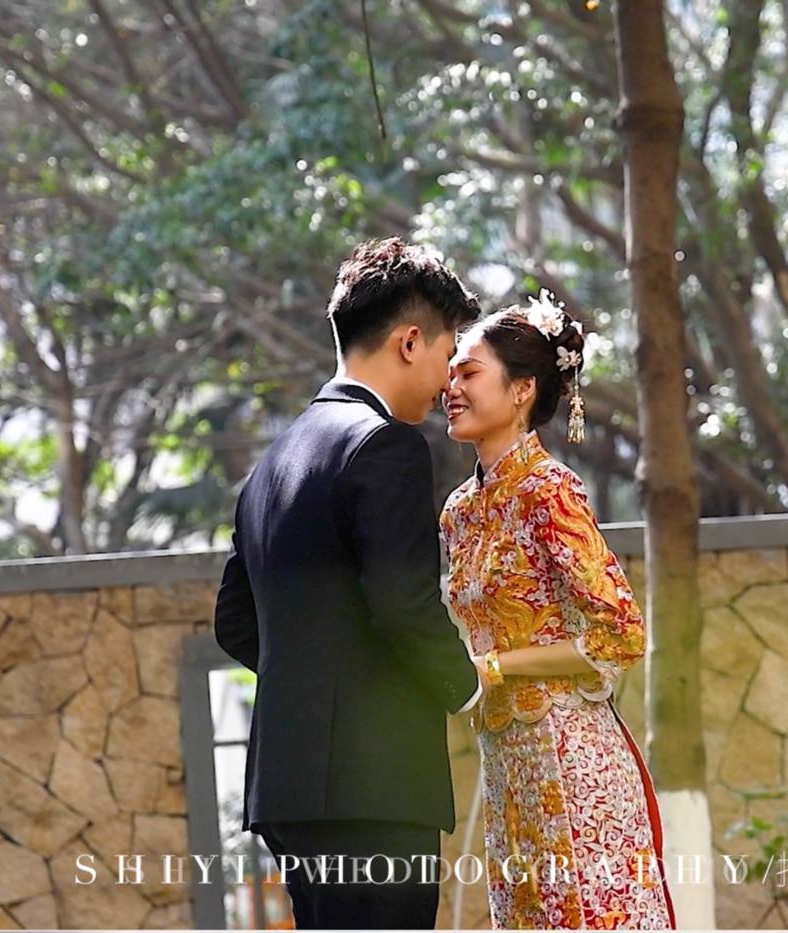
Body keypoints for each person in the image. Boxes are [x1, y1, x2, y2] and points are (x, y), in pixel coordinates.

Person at [214, 237, 487, 929]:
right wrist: (468, 687)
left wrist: (318, 689)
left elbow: (235, 622)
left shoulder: (272, 462)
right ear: (409, 342)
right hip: (373, 786)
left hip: (288, 787)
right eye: (447, 353)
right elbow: (403, 603)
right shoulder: (385, 445)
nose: (447, 381)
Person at [440, 291, 677, 929]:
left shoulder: (550, 491)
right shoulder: (459, 511)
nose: (451, 387)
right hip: (506, 762)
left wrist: (497, 666)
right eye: (450, 373)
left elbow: (619, 634)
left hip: (571, 754)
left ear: (522, 390)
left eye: (469, 372)